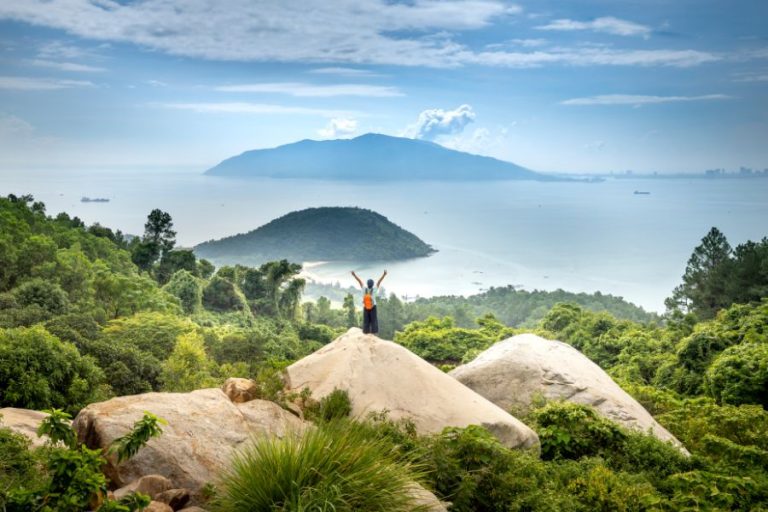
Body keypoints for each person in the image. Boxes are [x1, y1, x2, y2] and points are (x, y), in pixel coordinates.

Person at [351, 269, 387, 334]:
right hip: (373, 306)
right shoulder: (375, 289)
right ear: (372, 284)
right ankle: (374, 332)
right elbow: (379, 282)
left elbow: (359, 281)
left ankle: (365, 332)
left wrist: (354, 275)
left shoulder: (364, 289)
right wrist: (384, 275)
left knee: (366, 320)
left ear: (367, 284)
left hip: (365, 306)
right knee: (374, 320)